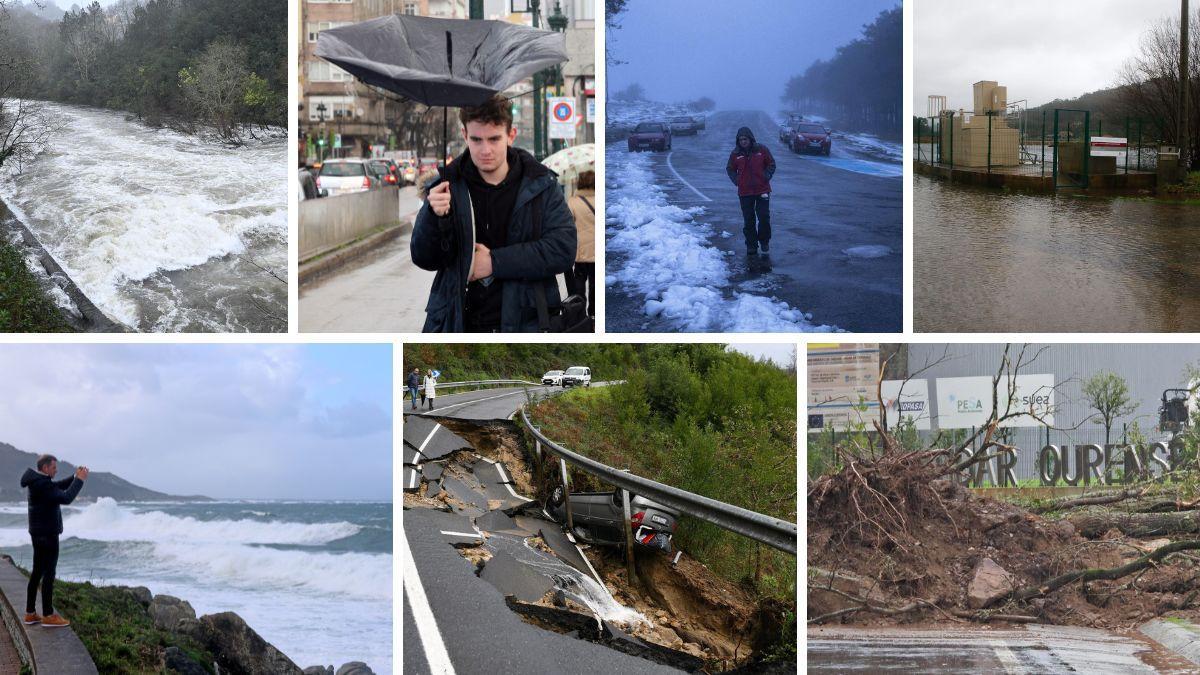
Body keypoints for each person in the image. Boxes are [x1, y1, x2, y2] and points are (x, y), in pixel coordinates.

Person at [411, 95, 576, 332]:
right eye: (476, 139)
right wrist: (433, 214)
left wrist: (493, 262)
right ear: (465, 135)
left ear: (511, 135)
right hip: (456, 322)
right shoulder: (447, 186)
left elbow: (563, 249)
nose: (485, 150)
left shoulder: (540, 184)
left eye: (494, 139)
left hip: (527, 323)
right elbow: (423, 257)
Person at [20, 454, 87, 628]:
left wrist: (73, 477)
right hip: (48, 535)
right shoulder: (43, 484)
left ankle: (30, 613)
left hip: (38, 533)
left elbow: (56, 486)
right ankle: (48, 615)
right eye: (54, 467)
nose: (56, 470)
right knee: (49, 574)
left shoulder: (38, 482)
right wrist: (79, 481)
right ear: (45, 468)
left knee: (37, 573)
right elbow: (66, 497)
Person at [725, 126, 776, 255]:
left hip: (762, 190)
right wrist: (737, 180)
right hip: (745, 192)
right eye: (741, 139)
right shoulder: (735, 154)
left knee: (764, 217)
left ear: (750, 139)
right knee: (749, 220)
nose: (743, 141)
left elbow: (771, 164)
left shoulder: (761, 150)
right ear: (738, 141)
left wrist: (766, 176)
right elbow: (730, 169)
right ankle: (751, 245)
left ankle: (764, 241)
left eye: (745, 139)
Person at [565, 170, 595, 317]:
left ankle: (580, 314)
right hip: (596, 251)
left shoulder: (573, 202)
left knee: (579, 283)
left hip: (580, 251)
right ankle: (594, 314)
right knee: (595, 284)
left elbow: (566, 226)